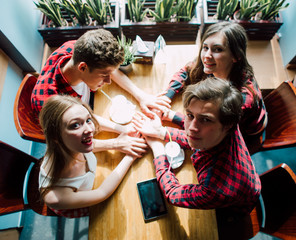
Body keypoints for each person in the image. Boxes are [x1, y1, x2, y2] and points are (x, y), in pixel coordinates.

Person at [31, 29, 168, 157]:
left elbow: (109, 69)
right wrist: (116, 143)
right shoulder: (52, 104)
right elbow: (71, 143)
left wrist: (141, 96)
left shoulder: (76, 49)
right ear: (83, 67)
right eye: (104, 75)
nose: (109, 80)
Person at [134, 77, 261, 214]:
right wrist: (163, 127)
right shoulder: (227, 123)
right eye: (189, 115)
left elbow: (172, 193)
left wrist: (158, 149)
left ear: (227, 125)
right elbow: (198, 135)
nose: (191, 128)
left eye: (205, 120)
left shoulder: (215, 189)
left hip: (233, 210)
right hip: (247, 178)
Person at [156, 22, 267, 152]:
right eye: (205, 47)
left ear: (236, 56)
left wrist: (165, 126)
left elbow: (208, 137)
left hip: (245, 134)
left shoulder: (242, 99)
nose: (207, 56)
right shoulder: (213, 65)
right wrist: (167, 98)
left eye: (218, 49)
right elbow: (185, 71)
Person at [38, 95, 140, 218]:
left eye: (88, 120)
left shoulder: (73, 144)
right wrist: (130, 157)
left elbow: (92, 123)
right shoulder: (55, 197)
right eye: (75, 125)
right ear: (56, 137)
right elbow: (102, 192)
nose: (89, 130)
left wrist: (123, 131)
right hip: (81, 203)